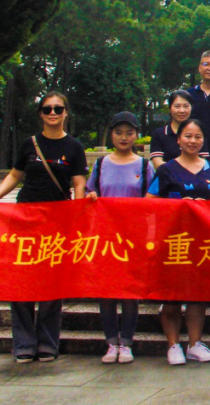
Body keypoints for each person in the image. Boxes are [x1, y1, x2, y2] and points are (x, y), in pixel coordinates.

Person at [0, 93, 88, 363]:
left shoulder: (74, 146)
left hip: (57, 221)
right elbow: (15, 175)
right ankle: (24, 343)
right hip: (24, 220)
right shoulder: (30, 144)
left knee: (52, 283)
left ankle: (48, 343)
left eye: (58, 109)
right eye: (47, 109)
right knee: (20, 281)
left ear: (66, 112)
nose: (53, 113)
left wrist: (79, 214)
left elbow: (78, 183)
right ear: (40, 113)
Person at [145, 118, 210, 365]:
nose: (192, 141)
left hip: (204, 242)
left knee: (198, 295)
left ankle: (195, 344)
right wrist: (178, 206)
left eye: (198, 136)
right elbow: (149, 202)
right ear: (178, 140)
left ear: (203, 140)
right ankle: (173, 345)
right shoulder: (166, 170)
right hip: (173, 240)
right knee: (172, 296)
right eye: (188, 136)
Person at [87, 111, 155, 365]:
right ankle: (111, 342)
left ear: (136, 135)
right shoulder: (101, 164)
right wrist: (91, 197)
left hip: (133, 237)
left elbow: (152, 201)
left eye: (129, 133)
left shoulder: (144, 166)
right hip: (105, 236)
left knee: (129, 292)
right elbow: (90, 192)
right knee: (106, 292)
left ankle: (126, 342)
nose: (124, 137)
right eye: (118, 133)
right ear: (112, 135)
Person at [150, 90, 208, 167]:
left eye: (186, 106)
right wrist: (179, 171)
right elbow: (157, 163)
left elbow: (203, 162)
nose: (182, 110)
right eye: (177, 106)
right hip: (168, 174)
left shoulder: (198, 133)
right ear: (170, 108)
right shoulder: (159, 134)